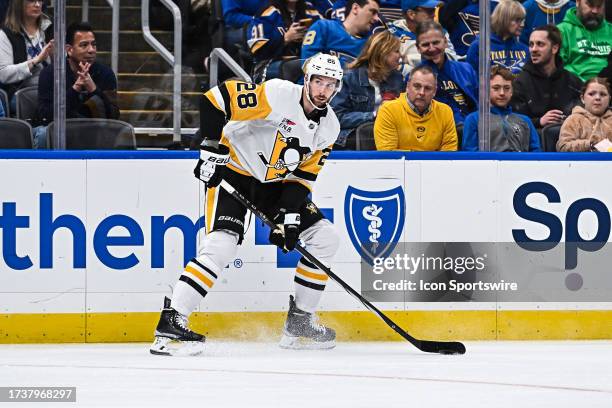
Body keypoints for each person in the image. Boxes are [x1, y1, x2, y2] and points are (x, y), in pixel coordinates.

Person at [150, 53, 343, 356]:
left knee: (325, 238)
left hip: (274, 185)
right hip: (236, 173)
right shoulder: (277, 94)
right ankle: (172, 320)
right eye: (318, 81)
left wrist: (288, 217)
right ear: (306, 79)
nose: (322, 89)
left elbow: (302, 177)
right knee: (220, 246)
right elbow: (214, 100)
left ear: (337, 88)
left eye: (330, 84)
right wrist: (212, 149)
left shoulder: (329, 127)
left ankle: (300, 321)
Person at [35, 22, 119, 148]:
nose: (91, 50)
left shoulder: (105, 73)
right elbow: (46, 117)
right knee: (43, 133)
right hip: (61, 130)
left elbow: (113, 116)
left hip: (93, 131)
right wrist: (75, 89)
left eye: (93, 45)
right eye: (84, 45)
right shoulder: (51, 73)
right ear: (69, 50)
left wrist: (93, 89)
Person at [330, 30, 403, 149]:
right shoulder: (349, 78)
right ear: (383, 52)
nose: (400, 55)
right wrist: (374, 115)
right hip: (353, 139)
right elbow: (336, 117)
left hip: (387, 134)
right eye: (396, 51)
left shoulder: (397, 78)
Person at [511, 24, 583, 130]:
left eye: (540, 44)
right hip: (535, 140)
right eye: (531, 44)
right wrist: (539, 121)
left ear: (554, 48)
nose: (533, 49)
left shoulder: (572, 81)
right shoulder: (520, 82)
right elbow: (513, 122)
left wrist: (570, 119)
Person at [416, 20, 478, 140]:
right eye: (425, 45)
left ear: (445, 42)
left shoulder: (466, 69)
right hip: (436, 135)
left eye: (436, 42)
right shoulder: (415, 78)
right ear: (418, 48)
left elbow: (480, 104)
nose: (432, 48)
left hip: (473, 131)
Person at [373, 65, 458, 151]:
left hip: (435, 165)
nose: (422, 92)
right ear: (407, 87)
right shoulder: (388, 110)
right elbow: (388, 154)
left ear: (435, 91)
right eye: (417, 86)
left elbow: (449, 153)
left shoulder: (445, 112)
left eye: (428, 88)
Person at [463, 66, 541, 151]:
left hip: (521, 164)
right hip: (488, 164)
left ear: (512, 92)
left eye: (507, 88)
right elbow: (470, 154)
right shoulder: (474, 119)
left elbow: (536, 153)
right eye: (496, 88)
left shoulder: (525, 121)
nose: (502, 93)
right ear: (486, 90)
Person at [247, 0, 321, 82]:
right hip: (267, 64)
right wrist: (285, 39)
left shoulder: (310, 10)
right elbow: (259, 52)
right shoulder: (267, 12)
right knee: (302, 66)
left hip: (302, 58)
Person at [0, 0, 54, 108]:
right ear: (18, 4)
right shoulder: (5, 33)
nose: (37, 4)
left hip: (51, 88)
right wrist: (36, 60)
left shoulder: (49, 28)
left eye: (40, 0)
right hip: (22, 92)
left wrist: (57, 56)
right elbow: (3, 74)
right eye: (31, 1)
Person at [388, 0, 458, 76]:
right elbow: (393, 64)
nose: (434, 14)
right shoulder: (391, 34)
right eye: (429, 11)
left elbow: (452, 59)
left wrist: (409, 59)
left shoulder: (440, 31)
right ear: (411, 14)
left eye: (434, 10)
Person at [301, 0, 380, 67]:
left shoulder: (371, 44)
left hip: (352, 85)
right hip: (316, 83)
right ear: (355, 8)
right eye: (373, 12)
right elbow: (308, 63)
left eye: (377, 14)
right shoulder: (323, 27)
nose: (377, 18)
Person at [466, 0, 530, 75]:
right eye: (517, 20)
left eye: (523, 20)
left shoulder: (525, 49)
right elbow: (471, 79)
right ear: (504, 19)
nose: (522, 25)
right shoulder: (479, 46)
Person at [557, 0, 612, 81]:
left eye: (599, 6)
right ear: (577, 2)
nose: (595, 11)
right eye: (590, 5)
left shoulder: (610, 30)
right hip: (574, 86)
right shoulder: (562, 31)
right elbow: (558, 68)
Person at [557, 77, 612, 151]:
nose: (598, 98)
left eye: (603, 94)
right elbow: (563, 147)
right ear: (582, 98)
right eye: (591, 94)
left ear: (609, 99)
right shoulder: (573, 120)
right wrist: (590, 144)